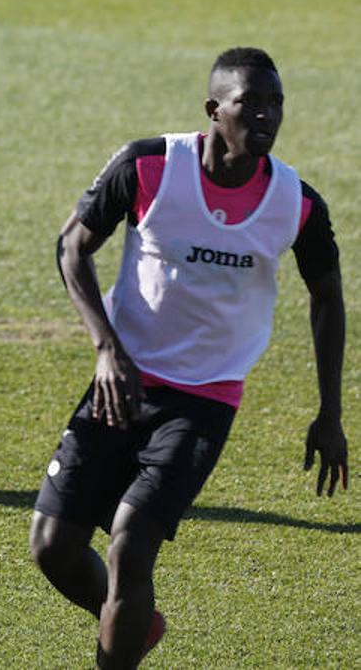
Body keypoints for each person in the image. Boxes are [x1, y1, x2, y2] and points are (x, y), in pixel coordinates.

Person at [30, 47, 349, 667]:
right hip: (120, 380)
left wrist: (329, 412)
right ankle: (135, 624)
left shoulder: (295, 203)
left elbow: (328, 298)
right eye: (250, 103)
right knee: (52, 546)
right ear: (213, 110)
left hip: (205, 397)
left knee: (130, 544)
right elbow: (72, 248)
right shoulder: (149, 166)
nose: (267, 115)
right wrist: (105, 348)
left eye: (276, 103)